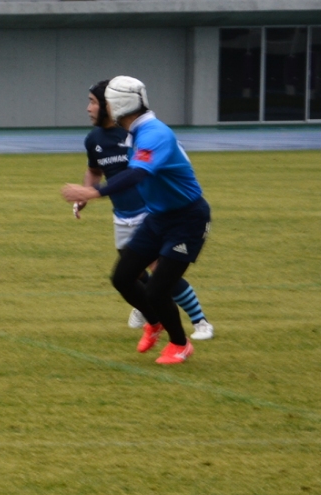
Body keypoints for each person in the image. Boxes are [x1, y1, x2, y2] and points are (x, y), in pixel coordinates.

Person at [59, 75, 211, 365]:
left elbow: (137, 173)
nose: (95, 107)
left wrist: (94, 192)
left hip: (187, 219)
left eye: (102, 102)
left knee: (157, 288)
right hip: (158, 217)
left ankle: (180, 344)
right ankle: (154, 323)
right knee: (122, 278)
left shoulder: (153, 133)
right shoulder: (135, 131)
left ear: (118, 105)